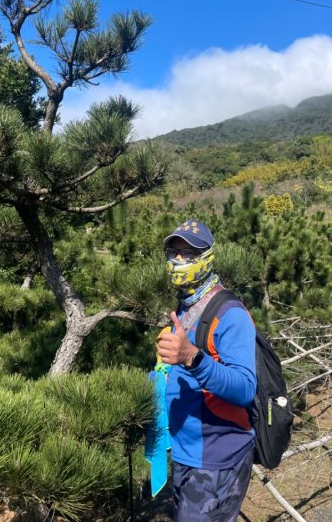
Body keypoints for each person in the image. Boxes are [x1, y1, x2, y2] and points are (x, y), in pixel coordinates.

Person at [156, 219, 256, 522]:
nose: (179, 260)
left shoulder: (230, 313)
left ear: (207, 257)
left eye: (188, 253)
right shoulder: (186, 306)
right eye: (174, 252)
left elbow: (244, 387)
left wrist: (192, 358)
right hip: (187, 451)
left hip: (216, 458)